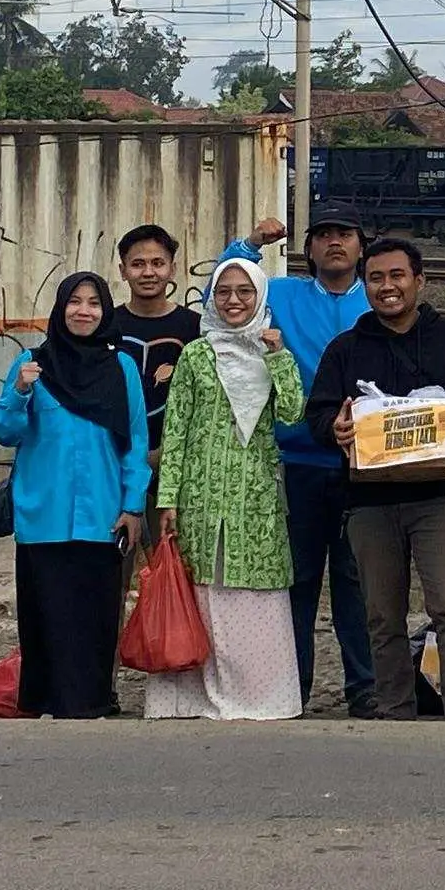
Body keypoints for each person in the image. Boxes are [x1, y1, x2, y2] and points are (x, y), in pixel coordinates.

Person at [305, 237, 445, 720]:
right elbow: (318, 413)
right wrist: (335, 426)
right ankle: (395, 711)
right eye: (376, 278)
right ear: (364, 284)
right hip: (370, 504)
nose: (387, 287)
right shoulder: (346, 348)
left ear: (419, 280)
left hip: (439, 498)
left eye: (397, 276)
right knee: (381, 615)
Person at [0, 272, 156, 719]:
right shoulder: (33, 362)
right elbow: (3, 432)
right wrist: (20, 391)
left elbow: (135, 441)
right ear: (60, 309)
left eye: (94, 303)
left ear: (105, 312)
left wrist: (132, 505)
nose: (84, 311)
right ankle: (47, 700)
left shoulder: (120, 368)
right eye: (75, 302)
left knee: (97, 616)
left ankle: (92, 701)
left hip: (102, 516)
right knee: (47, 616)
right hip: (43, 515)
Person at [143, 258, 307, 721]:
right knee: (199, 595)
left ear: (260, 298)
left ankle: (260, 699)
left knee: (255, 594)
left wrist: (278, 357)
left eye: (245, 292)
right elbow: (175, 431)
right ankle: (192, 699)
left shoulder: (273, 349)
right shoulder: (197, 354)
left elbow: (294, 413)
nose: (234, 301)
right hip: (199, 494)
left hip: (254, 495)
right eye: (224, 292)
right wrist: (168, 496)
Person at [223, 214, 374, 710]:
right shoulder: (284, 295)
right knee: (298, 584)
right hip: (297, 461)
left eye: (345, 234)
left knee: (359, 585)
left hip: (365, 467)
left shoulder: (376, 297)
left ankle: (366, 689)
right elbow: (226, 289)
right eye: (324, 235)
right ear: (308, 250)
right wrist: (250, 243)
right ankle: (294, 687)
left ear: (360, 247)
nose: (335, 242)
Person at [111, 224, 203, 445]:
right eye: (138, 264)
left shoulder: (196, 327)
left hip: (178, 456)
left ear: (172, 269)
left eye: (158, 263)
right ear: (123, 271)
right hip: (114, 453)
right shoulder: (106, 325)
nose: (148, 272)